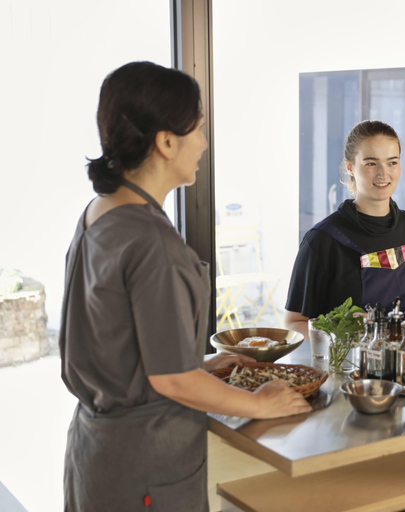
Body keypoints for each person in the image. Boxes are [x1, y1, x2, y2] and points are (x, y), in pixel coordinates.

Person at [59, 61, 311, 512]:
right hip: (146, 464)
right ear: (166, 141)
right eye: (198, 129)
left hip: (96, 454)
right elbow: (172, 379)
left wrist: (205, 362)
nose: (205, 143)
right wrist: (260, 403)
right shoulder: (150, 240)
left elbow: (122, 340)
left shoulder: (100, 212)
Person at [284, 120, 405, 337]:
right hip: (350, 367)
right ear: (350, 167)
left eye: (392, 162)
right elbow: (293, 323)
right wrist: (342, 329)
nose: (383, 174)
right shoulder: (323, 240)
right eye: (371, 163)